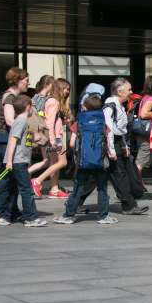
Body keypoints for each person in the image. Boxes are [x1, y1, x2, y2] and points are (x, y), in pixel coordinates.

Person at [54, 95, 117, 225]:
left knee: (78, 188)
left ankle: (69, 215)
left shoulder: (80, 122)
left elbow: (71, 144)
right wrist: (111, 153)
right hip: (100, 161)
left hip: (83, 162)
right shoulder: (102, 122)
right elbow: (108, 139)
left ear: (85, 107)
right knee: (102, 188)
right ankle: (103, 216)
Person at [0, 94, 47, 227]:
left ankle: (4, 215)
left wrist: (36, 138)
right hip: (17, 161)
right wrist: (10, 160)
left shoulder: (21, 121)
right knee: (26, 189)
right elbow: (12, 140)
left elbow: (23, 139)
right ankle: (30, 218)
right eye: (32, 107)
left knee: (10, 188)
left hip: (17, 160)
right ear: (28, 107)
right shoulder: (21, 121)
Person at [0, 67, 29, 224]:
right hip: (5, 140)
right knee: (7, 179)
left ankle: (3, 212)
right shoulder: (9, 97)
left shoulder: (11, 96)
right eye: (26, 81)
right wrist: (25, 128)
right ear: (17, 81)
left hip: (6, 140)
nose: (28, 83)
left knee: (10, 180)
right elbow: (9, 120)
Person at [103, 77, 148, 215]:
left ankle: (130, 201)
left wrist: (125, 145)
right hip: (111, 142)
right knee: (119, 174)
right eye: (129, 89)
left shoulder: (120, 106)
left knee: (129, 172)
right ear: (119, 91)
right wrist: (111, 150)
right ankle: (129, 205)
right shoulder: (110, 106)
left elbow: (121, 129)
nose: (131, 92)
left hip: (119, 142)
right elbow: (108, 130)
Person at [30, 77, 71, 199]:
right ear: (59, 88)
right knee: (63, 162)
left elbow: (52, 121)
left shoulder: (50, 101)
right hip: (55, 139)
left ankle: (54, 189)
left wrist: (62, 121)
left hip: (51, 138)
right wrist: (53, 141)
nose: (68, 92)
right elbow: (49, 123)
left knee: (53, 162)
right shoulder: (54, 102)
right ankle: (37, 181)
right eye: (66, 89)